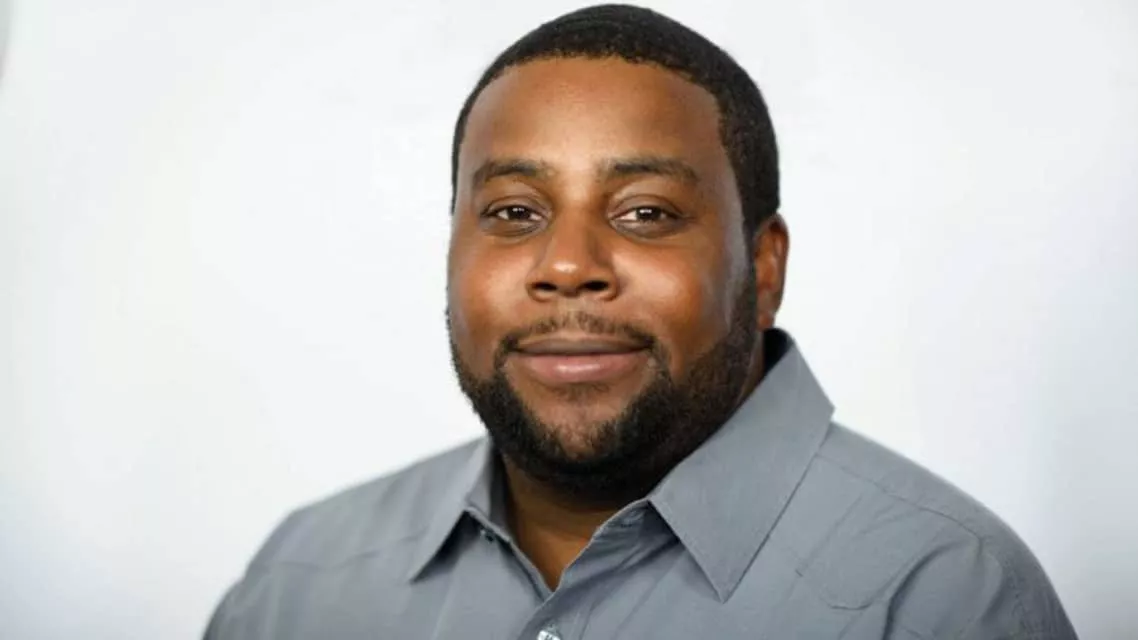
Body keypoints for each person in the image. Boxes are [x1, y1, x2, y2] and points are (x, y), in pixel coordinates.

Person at [204, 4, 1076, 639]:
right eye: (513, 212)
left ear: (764, 269)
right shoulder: (298, 585)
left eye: (645, 213)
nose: (567, 265)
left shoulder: (943, 597)